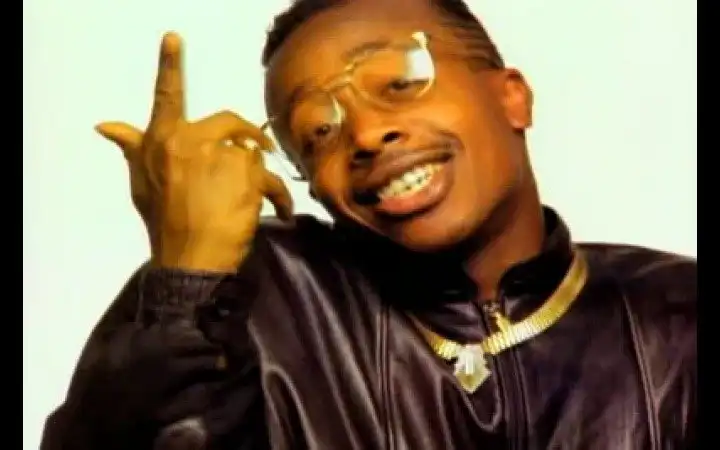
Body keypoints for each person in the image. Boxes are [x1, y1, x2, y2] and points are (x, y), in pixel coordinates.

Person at [40, 0, 697, 449]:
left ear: (511, 96)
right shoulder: (252, 296)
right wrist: (186, 286)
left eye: (400, 82)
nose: (365, 133)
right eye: (317, 132)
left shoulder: (676, 315)